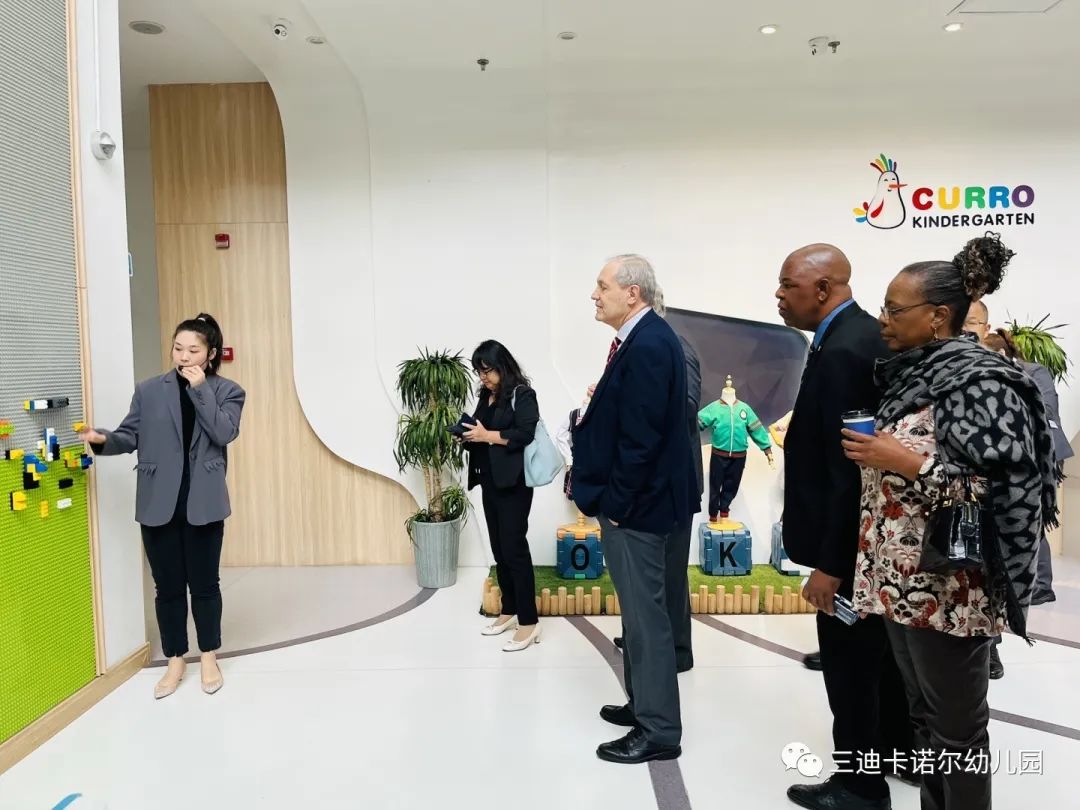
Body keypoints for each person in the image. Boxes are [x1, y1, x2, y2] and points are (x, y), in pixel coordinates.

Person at [842, 233, 1059, 810]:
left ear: (937, 316)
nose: (883, 319)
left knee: (958, 733)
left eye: (895, 309)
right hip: (902, 584)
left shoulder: (981, 382)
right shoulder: (916, 375)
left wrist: (907, 462)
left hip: (951, 590)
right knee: (924, 719)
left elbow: (1006, 488)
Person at [776, 245, 913, 809]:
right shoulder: (849, 338)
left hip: (850, 555)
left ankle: (859, 785)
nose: (779, 296)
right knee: (881, 662)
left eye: (787, 285)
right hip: (863, 545)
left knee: (851, 668)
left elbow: (849, 473)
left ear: (823, 288)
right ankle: (901, 755)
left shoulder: (845, 351)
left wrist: (832, 565)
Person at [571, 254, 698, 764]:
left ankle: (659, 730)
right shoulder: (644, 339)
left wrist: (618, 505)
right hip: (640, 505)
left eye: (602, 286)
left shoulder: (648, 344)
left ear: (633, 293)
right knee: (641, 617)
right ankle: (643, 703)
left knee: (647, 622)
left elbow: (641, 439)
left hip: (638, 510)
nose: (594, 295)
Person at [78, 314, 245, 699]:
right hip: (158, 502)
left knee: (205, 585)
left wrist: (200, 390)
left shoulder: (228, 391)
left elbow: (224, 432)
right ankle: (175, 659)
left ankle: (208, 656)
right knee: (167, 587)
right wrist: (102, 439)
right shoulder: (149, 390)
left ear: (210, 354)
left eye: (193, 350)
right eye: (178, 348)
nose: (183, 356)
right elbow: (128, 436)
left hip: (203, 501)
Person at [612, 294, 699, 674]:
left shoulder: (673, 346)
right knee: (647, 578)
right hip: (650, 482)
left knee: (669, 574)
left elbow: (686, 405)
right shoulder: (636, 345)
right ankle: (646, 639)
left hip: (669, 483)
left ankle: (676, 652)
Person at [982, 327, 1072, 607]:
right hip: (1015, 452)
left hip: (1044, 451)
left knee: (1033, 514)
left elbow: (1047, 411)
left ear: (1001, 352)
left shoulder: (1034, 371)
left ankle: (1041, 585)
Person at [463, 340, 542, 653]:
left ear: (503, 366)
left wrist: (486, 436)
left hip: (514, 484)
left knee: (514, 549)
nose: (483, 377)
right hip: (490, 481)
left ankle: (529, 622)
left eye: (488, 371)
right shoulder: (487, 395)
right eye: (479, 372)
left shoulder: (523, 394)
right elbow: (479, 428)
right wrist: (467, 435)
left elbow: (524, 434)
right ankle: (509, 610)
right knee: (499, 549)